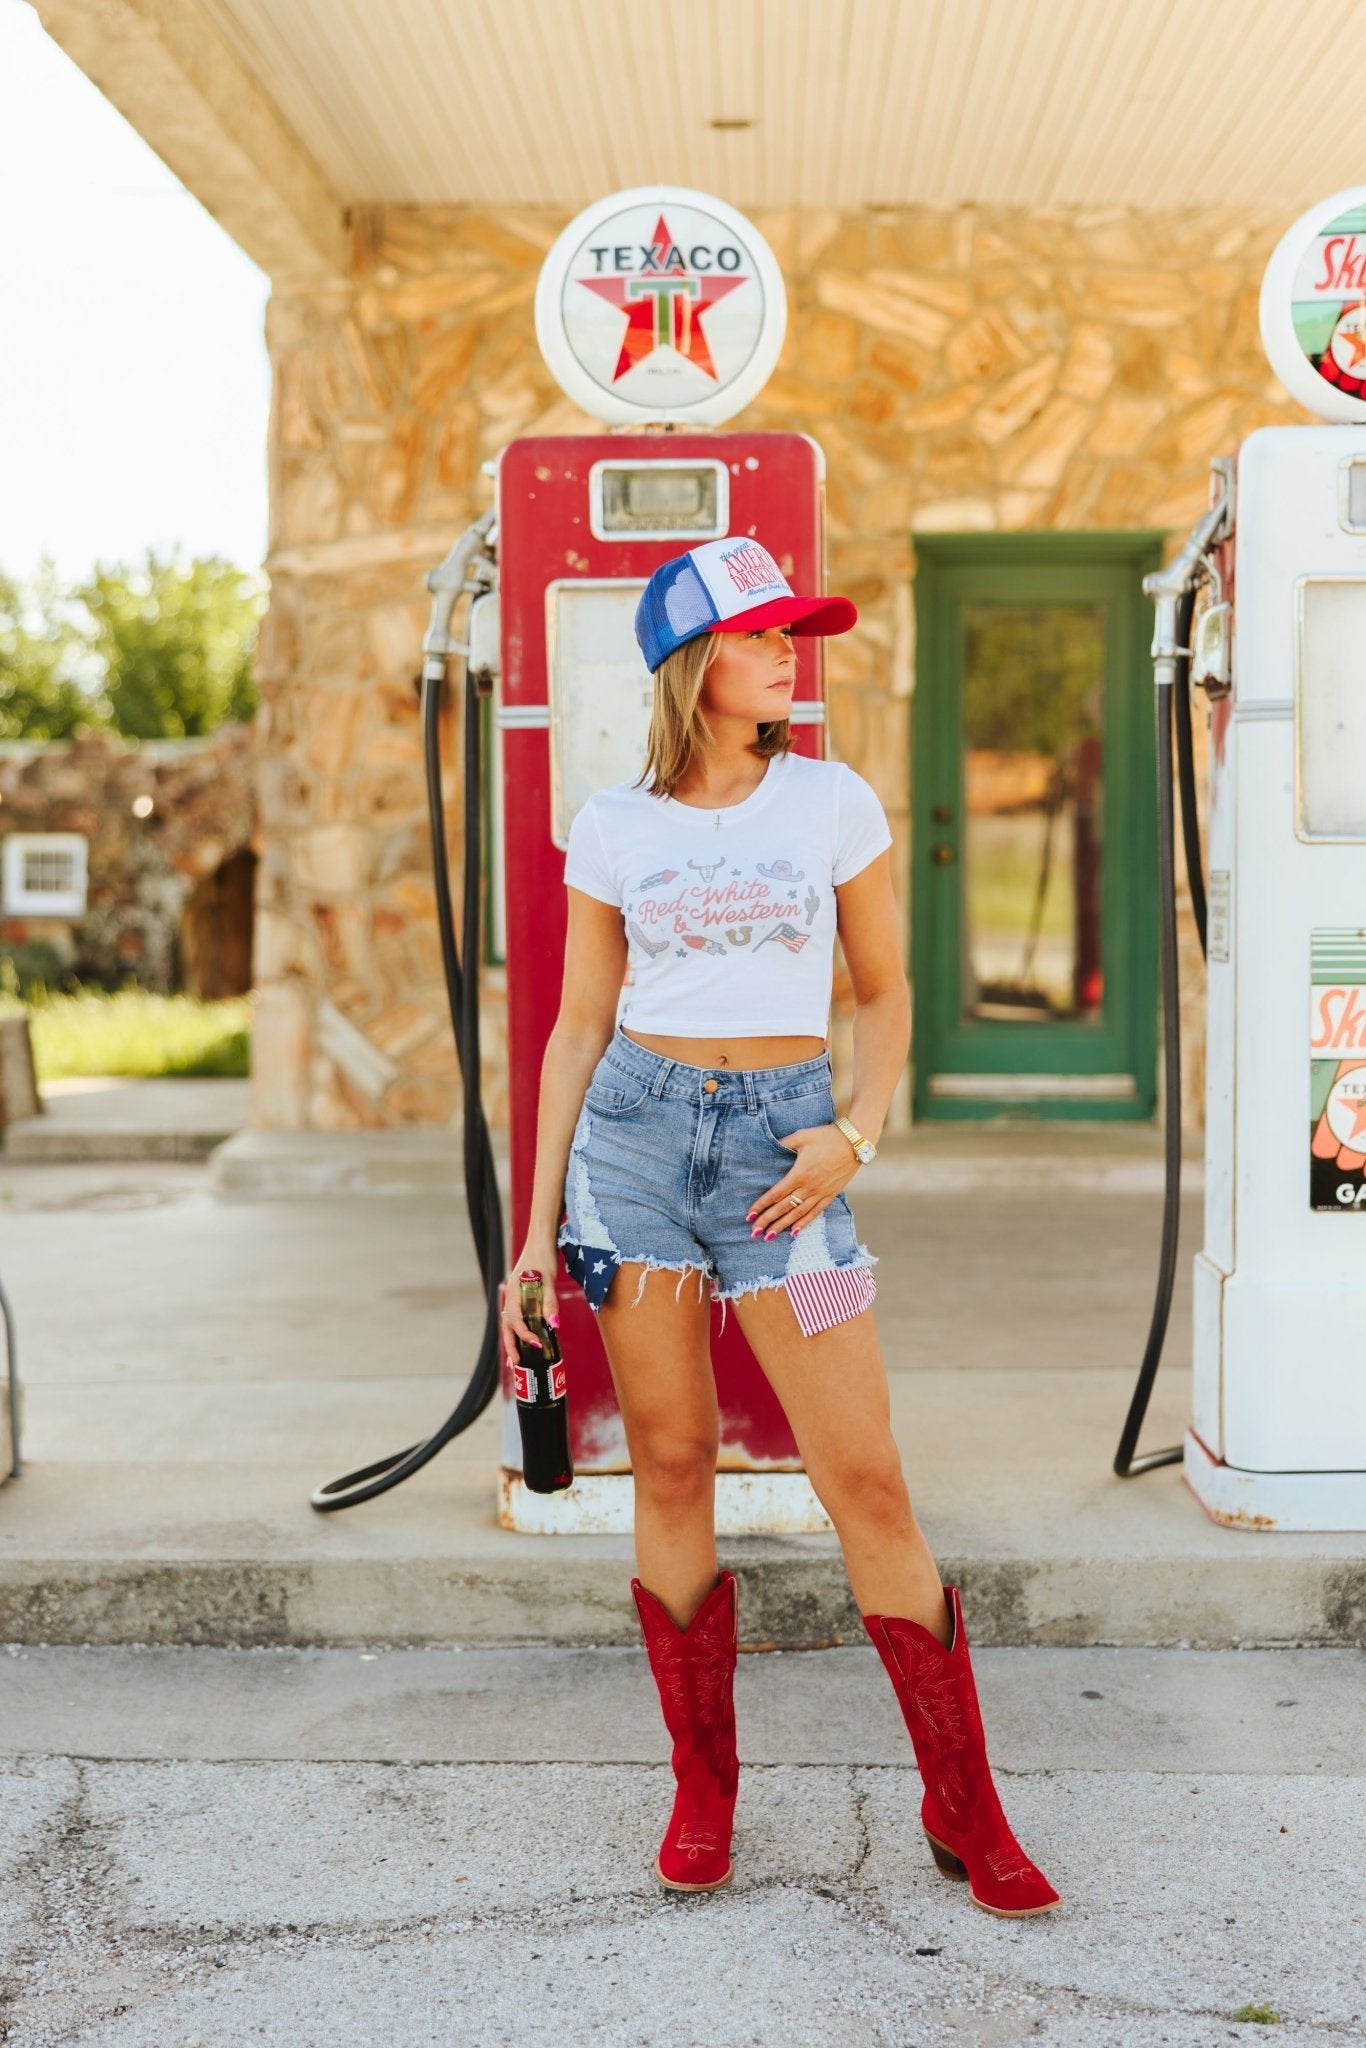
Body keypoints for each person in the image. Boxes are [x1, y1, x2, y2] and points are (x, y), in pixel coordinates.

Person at [501, 536, 1059, 1919]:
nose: (787, 654)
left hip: (782, 1162)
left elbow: (887, 994)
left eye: (790, 635)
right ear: (693, 665)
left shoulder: (830, 801)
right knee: (675, 1463)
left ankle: (964, 1803)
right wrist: (530, 1234)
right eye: (759, 636)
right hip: (633, 1157)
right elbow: (576, 1028)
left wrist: (853, 1133)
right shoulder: (615, 824)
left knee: (862, 1477)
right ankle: (704, 1791)